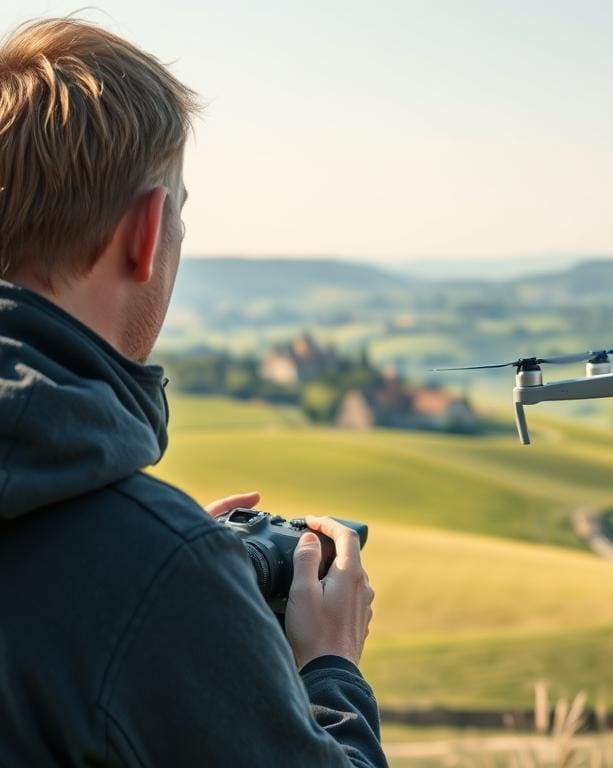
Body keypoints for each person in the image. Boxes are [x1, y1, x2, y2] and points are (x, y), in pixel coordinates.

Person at [0, 17, 386, 767]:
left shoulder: (149, 560)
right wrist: (332, 668)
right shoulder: (156, 576)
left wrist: (159, 548)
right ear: (146, 232)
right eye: (178, 208)